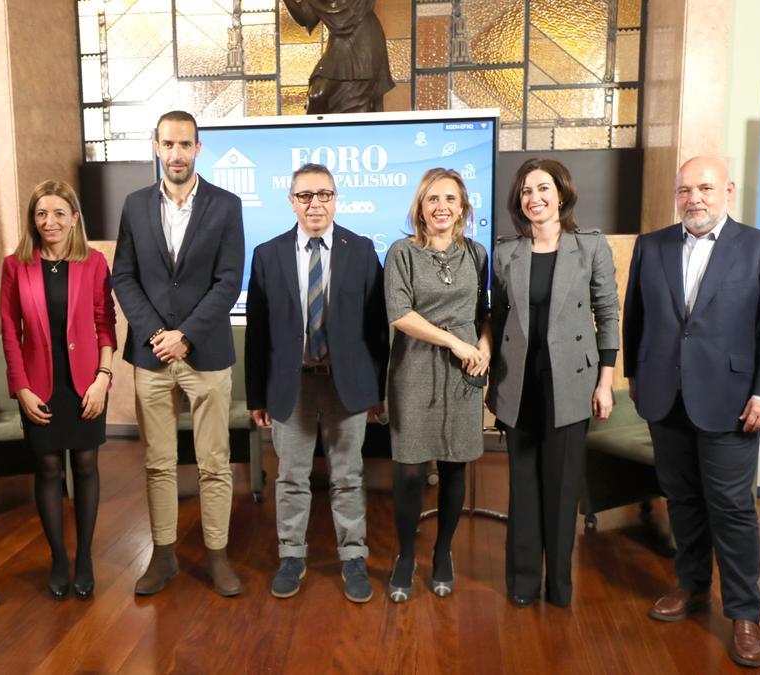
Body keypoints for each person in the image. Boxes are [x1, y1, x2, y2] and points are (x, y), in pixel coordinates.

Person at [624, 156, 760, 668]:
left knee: (732, 507)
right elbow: (637, 319)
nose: (693, 198)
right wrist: (637, 378)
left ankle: (745, 613)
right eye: (684, 190)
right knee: (681, 497)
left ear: (727, 190)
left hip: (732, 402)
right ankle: (692, 585)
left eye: (704, 188)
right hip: (663, 397)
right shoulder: (651, 245)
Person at [111, 110, 245, 597]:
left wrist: (185, 334)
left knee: (214, 462)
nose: (177, 154)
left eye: (185, 144)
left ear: (198, 149)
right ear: (156, 147)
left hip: (205, 353)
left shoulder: (226, 205)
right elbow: (123, 275)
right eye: (168, 144)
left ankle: (216, 557)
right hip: (151, 357)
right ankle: (163, 557)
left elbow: (229, 280)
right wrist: (155, 334)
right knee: (158, 461)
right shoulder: (135, 204)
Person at [245, 163, 389, 603]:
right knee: (291, 477)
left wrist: (376, 392)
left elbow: (376, 328)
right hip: (293, 386)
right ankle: (292, 556)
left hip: (348, 388)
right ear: (291, 201)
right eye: (305, 196)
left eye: (323, 194)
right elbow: (258, 332)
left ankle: (353, 557)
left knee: (348, 476)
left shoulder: (361, 250)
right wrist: (257, 395)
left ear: (335, 198)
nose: (315, 204)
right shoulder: (268, 254)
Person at [487, 158, 620, 609]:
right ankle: (523, 583)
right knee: (522, 489)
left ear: (560, 194)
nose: (534, 198)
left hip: (572, 383)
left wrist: (606, 382)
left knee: (562, 490)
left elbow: (607, 315)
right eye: (526, 191)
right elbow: (498, 318)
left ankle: (559, 585)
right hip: (519, 383)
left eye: (543, 188)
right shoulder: (507, 253)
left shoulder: (591, 247)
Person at [0, 180, 117, 601]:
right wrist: (22, 389)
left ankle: (84, 557)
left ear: (74, 219)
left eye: (58, 213)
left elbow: (106, 324)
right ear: (33, 220)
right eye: (41, 214)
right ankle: (57, 559)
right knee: (48, 469)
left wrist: (104, 378)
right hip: (38, 385)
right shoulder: (16, 264)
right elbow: (10, 333)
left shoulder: (95, 263)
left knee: (86, 466)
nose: (49, 222)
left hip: (87, 382)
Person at [384, 168, 491, 602]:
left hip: (465, 372)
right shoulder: (401, 253)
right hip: (415, 367)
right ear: (420, 208)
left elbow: (488, 311)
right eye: (432, 199)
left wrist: (482, 346)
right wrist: (454, 341)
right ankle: (406, 555)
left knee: (454, 464)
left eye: (450, 198)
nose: (441, 206)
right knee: (410, 471)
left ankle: (443, 551)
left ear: (463, 206)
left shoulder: (478, 254)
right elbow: (399, 313)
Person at [280, 0, 394, 113]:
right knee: (317, 95)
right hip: (339, 43)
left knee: (357, 99)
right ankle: (320, 129)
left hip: (362, 40)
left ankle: (355, 128)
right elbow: (305, 16)